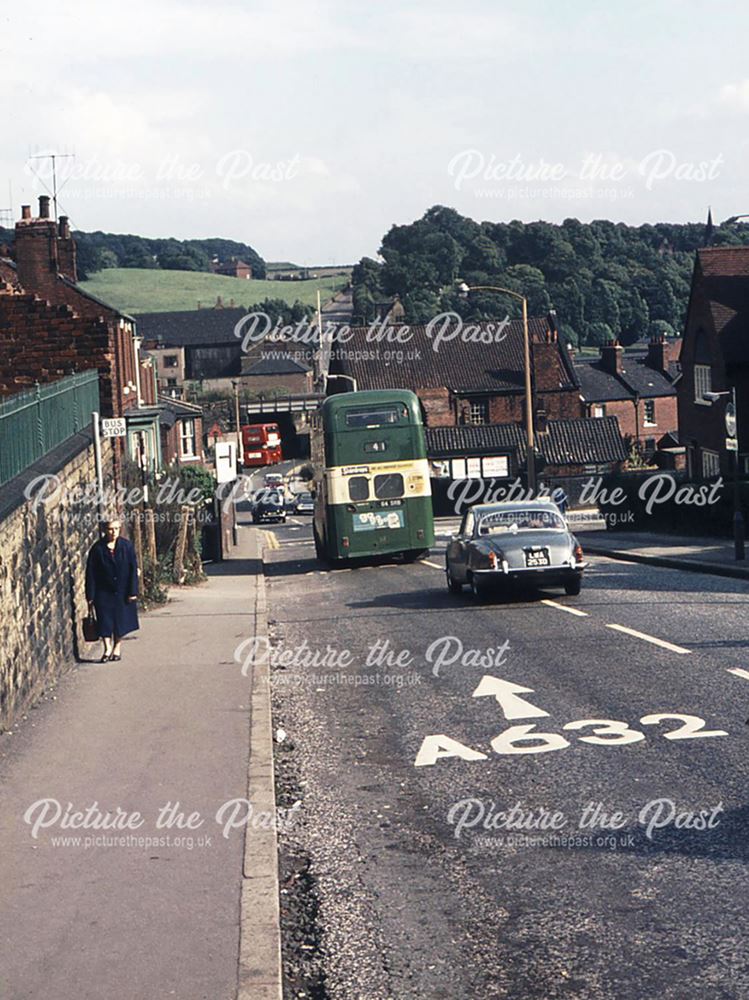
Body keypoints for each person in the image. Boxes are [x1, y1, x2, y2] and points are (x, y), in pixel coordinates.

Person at [85, 517, 139, 662]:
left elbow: (133, 569)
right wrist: (90, 595)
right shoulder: (97, 549)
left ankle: (117, 647)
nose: (113, 532)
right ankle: (107, 648)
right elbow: (91, 573)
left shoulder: (126, 547)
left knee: (120, 621)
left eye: (116, 528)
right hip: (103, 592)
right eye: (110, 529)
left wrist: (133, 591)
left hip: (122, 591)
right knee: (105, 620)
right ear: (105, 530)